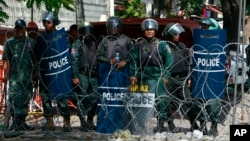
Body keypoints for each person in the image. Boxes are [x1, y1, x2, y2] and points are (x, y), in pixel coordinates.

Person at [129, 18, 173, 133]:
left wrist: (166, 75)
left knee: (161, 101)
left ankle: (160, 124)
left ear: (155, 31)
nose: (149, 32)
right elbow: (133, 61)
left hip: (158, 76)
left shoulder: (161, 44)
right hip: (143, 77)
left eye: (152, 30)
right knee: (143, 102)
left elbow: (169, 60)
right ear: (144, 31)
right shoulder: (139, 45)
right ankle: (142, 124)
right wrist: (133, 75)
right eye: (147, 30)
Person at [35, 12, 72, 132]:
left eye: (48, 22)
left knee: (61, 97)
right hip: (46, 73)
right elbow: (37, 56)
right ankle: (50, 122)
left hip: (59, 72)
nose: (46, 24)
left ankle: (66, 122)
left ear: (54, 23)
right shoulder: (41, 39)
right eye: (44, 22)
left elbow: (67, 53)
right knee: (45, 98)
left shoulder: (62, 36)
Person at [96, 16, 133, 133]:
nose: (113, 29)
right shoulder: (105, 40)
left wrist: (125, 62)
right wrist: (109, 60)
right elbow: (99, 55)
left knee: (120, 102)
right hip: (108, 76)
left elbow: (133, 55)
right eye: (111, 27)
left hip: (122, 76)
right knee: (107, 101)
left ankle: (121, 126)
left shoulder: (126, 40)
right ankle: (105, 127)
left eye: (115, 27)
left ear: (120, 27)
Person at [161, 23, 200, 132]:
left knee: (188, 102)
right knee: (168, 103)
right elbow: (160, 62)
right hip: (169, 79)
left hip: (182, 79)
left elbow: (187, 62)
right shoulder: (164, 46)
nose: (178, 35)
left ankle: (193, 124)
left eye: (178, 34)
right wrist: (163, 76)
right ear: (169, 35)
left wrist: (189, 77)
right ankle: (170, 123)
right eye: (175, 34)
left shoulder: (182, 46)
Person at [2, 19, 35, 131]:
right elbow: (6, 59)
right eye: (17, 28)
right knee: (15, 99)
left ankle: (22, 122)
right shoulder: (10, 42)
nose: (19, 30)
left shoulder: (30, 42)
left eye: (21, 28)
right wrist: (6, 75)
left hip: (28, 77)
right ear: (15, 29)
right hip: (15, 77)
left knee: (25, 99)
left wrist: (35, 74)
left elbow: (35, 60)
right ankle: (16, 122)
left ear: (25, 29)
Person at [194, 17, 222, 136]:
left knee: (213, 104)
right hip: (200, 76)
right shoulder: (199, 42)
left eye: (206, 27)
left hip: (214, 78)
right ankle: (202, 125)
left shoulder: (219, 43)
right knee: (200, 102)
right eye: (202, 27)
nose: (203, 29)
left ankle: (214, 126)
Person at [70, 21, 98, 131]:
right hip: (83, 75)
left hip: (93, 75)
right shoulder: (77, 44)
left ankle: (90, 119)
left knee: (94, 97)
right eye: (85, 30)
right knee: (82, 97)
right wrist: (75, 76)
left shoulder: (93, 43)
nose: (88, 33)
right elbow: (74, 60)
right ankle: (82, 121)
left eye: (89, 30)